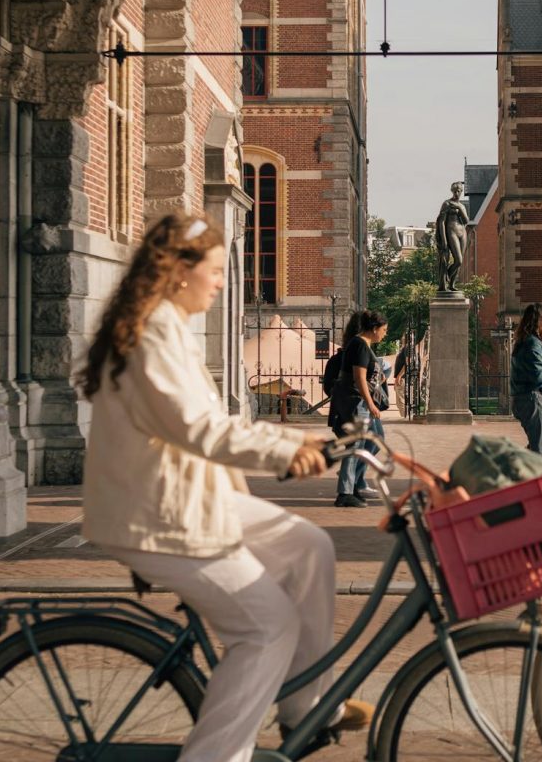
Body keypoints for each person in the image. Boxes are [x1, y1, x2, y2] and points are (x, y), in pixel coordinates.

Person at [78, 213, 372, 762]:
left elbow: (210, 422)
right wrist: (286, 451)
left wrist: (294, 441)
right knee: (267, 628)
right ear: (178, 271)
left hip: (188, 498)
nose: (221, 282)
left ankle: (307, 707)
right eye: (214, 271)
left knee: (310, 547)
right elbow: (197, 429)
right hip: (158, 515)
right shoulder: (153, 334)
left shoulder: (166, 325)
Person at [329, 309, 389, 507]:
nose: (385, 333)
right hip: (355, 402)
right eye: (383, 329)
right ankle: (344, 493)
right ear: (374, 329)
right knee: (355, 446)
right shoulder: (360, 345)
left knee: (371, 440)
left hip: (356, 401)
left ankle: (353, 484)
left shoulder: (361, 344)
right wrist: (371, 404)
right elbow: (359, 377)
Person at [510, 302, 542, 456]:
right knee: (541, 449)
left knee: (535, 445)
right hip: (533, 398)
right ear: (540, 320)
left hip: (525, 398)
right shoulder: (532, 344)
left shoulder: (523, 342)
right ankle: (533, 478)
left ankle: (522, 474)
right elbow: (538, 375)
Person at [435, 181, 470, 292]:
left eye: (459, 191)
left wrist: (459, 209)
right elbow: (441, 222)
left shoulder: (461, 206)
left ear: (461, 192)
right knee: (458, 260)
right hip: (451, 231)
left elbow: (466, 221)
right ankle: (445, 278)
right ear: (452, 191)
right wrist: (444, 239)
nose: (456, 193)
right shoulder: (447, 204)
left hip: (462, 232)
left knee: (460, 261)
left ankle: (451, 284)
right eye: (455, 191)